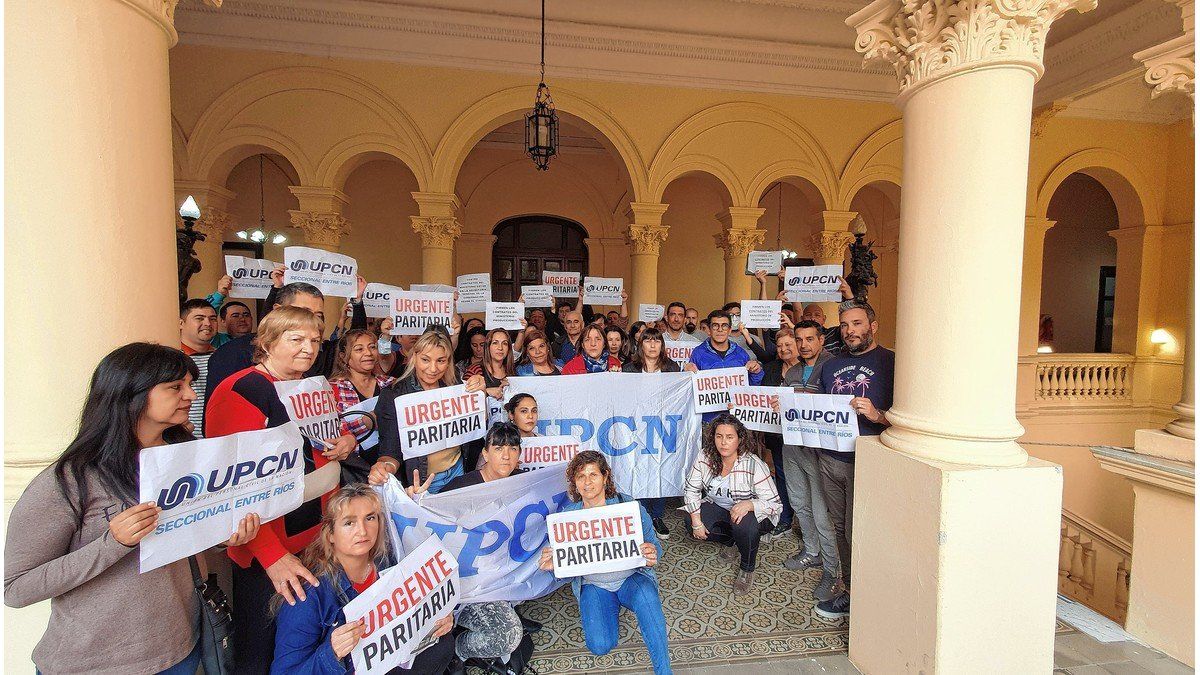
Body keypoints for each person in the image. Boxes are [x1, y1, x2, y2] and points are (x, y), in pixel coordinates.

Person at [4, 342, 260, 675]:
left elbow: (181, 536)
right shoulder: (69, 481)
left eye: (190, 385)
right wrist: (114, 545)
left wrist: (223, 535)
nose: (191, 396)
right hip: (95, 664)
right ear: (131, 394)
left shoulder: (186, 458)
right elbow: (17, 589)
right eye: (175, 387)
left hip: (181, 650)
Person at [205, 306, 360, 673]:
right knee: (262, 648)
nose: (308, 348)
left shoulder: (311, 387)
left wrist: (345, 441)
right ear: (267, 342)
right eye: (296, 339)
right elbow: (231, 485)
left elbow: (324, 441)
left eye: (314, 340)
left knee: (307, 639)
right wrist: (271, 556)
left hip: (315, 537)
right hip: (271, 551)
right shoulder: (240, 390)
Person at [270, 484, 455, 675]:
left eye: (370, 518)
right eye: (349, 522)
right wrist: (332, 653)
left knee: (442, 643)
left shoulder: (388, 562)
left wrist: (437, 618)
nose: (363, 531)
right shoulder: (308, 595)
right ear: (331, 533)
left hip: (389, 663)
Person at [538, 452, 671, 675]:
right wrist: (554, 567)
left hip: (632, 579)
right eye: (581, 476)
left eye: (593, 474)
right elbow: (566, 572)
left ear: (605, 476)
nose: (587, 482)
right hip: (594, 586)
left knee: (648, 601)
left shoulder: (629, 506)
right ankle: (612, 606)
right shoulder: (566, 518)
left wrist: (652, 552)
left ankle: (664, 671)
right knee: (600, 645)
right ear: (574, 482)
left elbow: (654, 544)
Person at [813, 301, 894, 620]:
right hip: (831, 458)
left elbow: (908, 417)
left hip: (868, 458)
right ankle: (848, 590)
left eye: (857, 324)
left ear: (873, 326)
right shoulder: (831, 365)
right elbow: (821, 406)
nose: (850, 331)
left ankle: (868, 596)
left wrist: (878, 415)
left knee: (859, 529)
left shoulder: (891, 362)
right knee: (840, 527)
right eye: (845, 325)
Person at [204, 275, 369, 413]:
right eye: (301, 312)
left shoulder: (317, 353)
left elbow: (355, 340)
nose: (308, 350)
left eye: (318, 314)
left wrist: (346, 439)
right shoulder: (231, 355)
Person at [772, 320, 840, 603]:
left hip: (820, 450)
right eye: (799, 340)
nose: (803, 345)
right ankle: (811, 552)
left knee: (822, 511)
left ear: (821, 340)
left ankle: (833, 570)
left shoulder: (832, 366)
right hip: (793, 446)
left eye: (809, 339)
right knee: (799, 502)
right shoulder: (795, 371)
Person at [371, 330, 487, 493]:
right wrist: (384, 467)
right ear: (414, 357)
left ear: (448, 362)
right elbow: (390, 450)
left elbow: (478, 426)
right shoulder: (393, 395)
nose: (433, 368)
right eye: (425, 360)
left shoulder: (456, 388)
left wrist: (480, 395)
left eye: (440, 360)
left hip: (458, 469)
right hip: (423, 481)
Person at [684, 413, 782, 595]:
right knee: (690, 521)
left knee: (744, 524)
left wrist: (750, 505)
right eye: (719, 436)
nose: (723, 442)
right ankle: (733, 542)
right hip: (724, 509)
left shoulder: (753, 464)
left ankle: (747, 568)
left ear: (739, 439)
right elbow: (691, 489)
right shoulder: (705, 457)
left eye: (730, 437)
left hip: (756, 517)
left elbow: (776, 505)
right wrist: (697, 522)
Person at [621, 327, 680, 540]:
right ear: (641, 344)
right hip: (636, 427)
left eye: (657, 341)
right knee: (639, 467)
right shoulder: (629, 369)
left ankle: (656, 516)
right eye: (648, 341)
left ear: (662, 346)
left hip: (663, 426)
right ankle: (641, 514)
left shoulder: (672, 367)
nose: (653, 345)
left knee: (660, 467)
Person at [328, 329, 396, 467]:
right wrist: (366, 421)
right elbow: (331, 431)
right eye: (359, 349)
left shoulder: (392, 384)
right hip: (356, 467)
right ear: (343, 356)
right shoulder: (332, 389)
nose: (368, 353)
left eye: (372, 347)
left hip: (392, 463)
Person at [685, 310, 764, 422]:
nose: (720, 329)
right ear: (709, 330)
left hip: (736, 420)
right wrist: (687, 373)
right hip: (708, 422)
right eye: (715, 326)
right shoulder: (698, 353)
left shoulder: (740, 353)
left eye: (724, 326)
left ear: (730, 330)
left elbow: (751, 387)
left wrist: (756, 372)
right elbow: (691, 390)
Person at [179, 298, 218, 437]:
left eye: (212, 319)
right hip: (185, 440)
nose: (207, 323)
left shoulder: (224, 357)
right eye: (199, 318)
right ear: (181, 323)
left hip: (219, 439)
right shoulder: (172, 360)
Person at [464, 328, 514, 401]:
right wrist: (487, 392)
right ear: (488, 347)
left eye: (505, 343)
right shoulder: (475, 370)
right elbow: (464, 399)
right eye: (495, 343)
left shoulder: (512, 370)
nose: (500, 348)